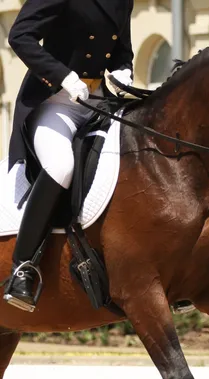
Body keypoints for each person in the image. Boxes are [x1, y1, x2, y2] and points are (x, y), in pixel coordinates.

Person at [4, 0, 134, 312]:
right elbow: (20, 36)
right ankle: (23, 267)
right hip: (55, 100)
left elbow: (122, 48)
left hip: (98, 101)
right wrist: (62, 76)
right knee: (62, 166)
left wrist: (124, 69)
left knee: (141, 155)